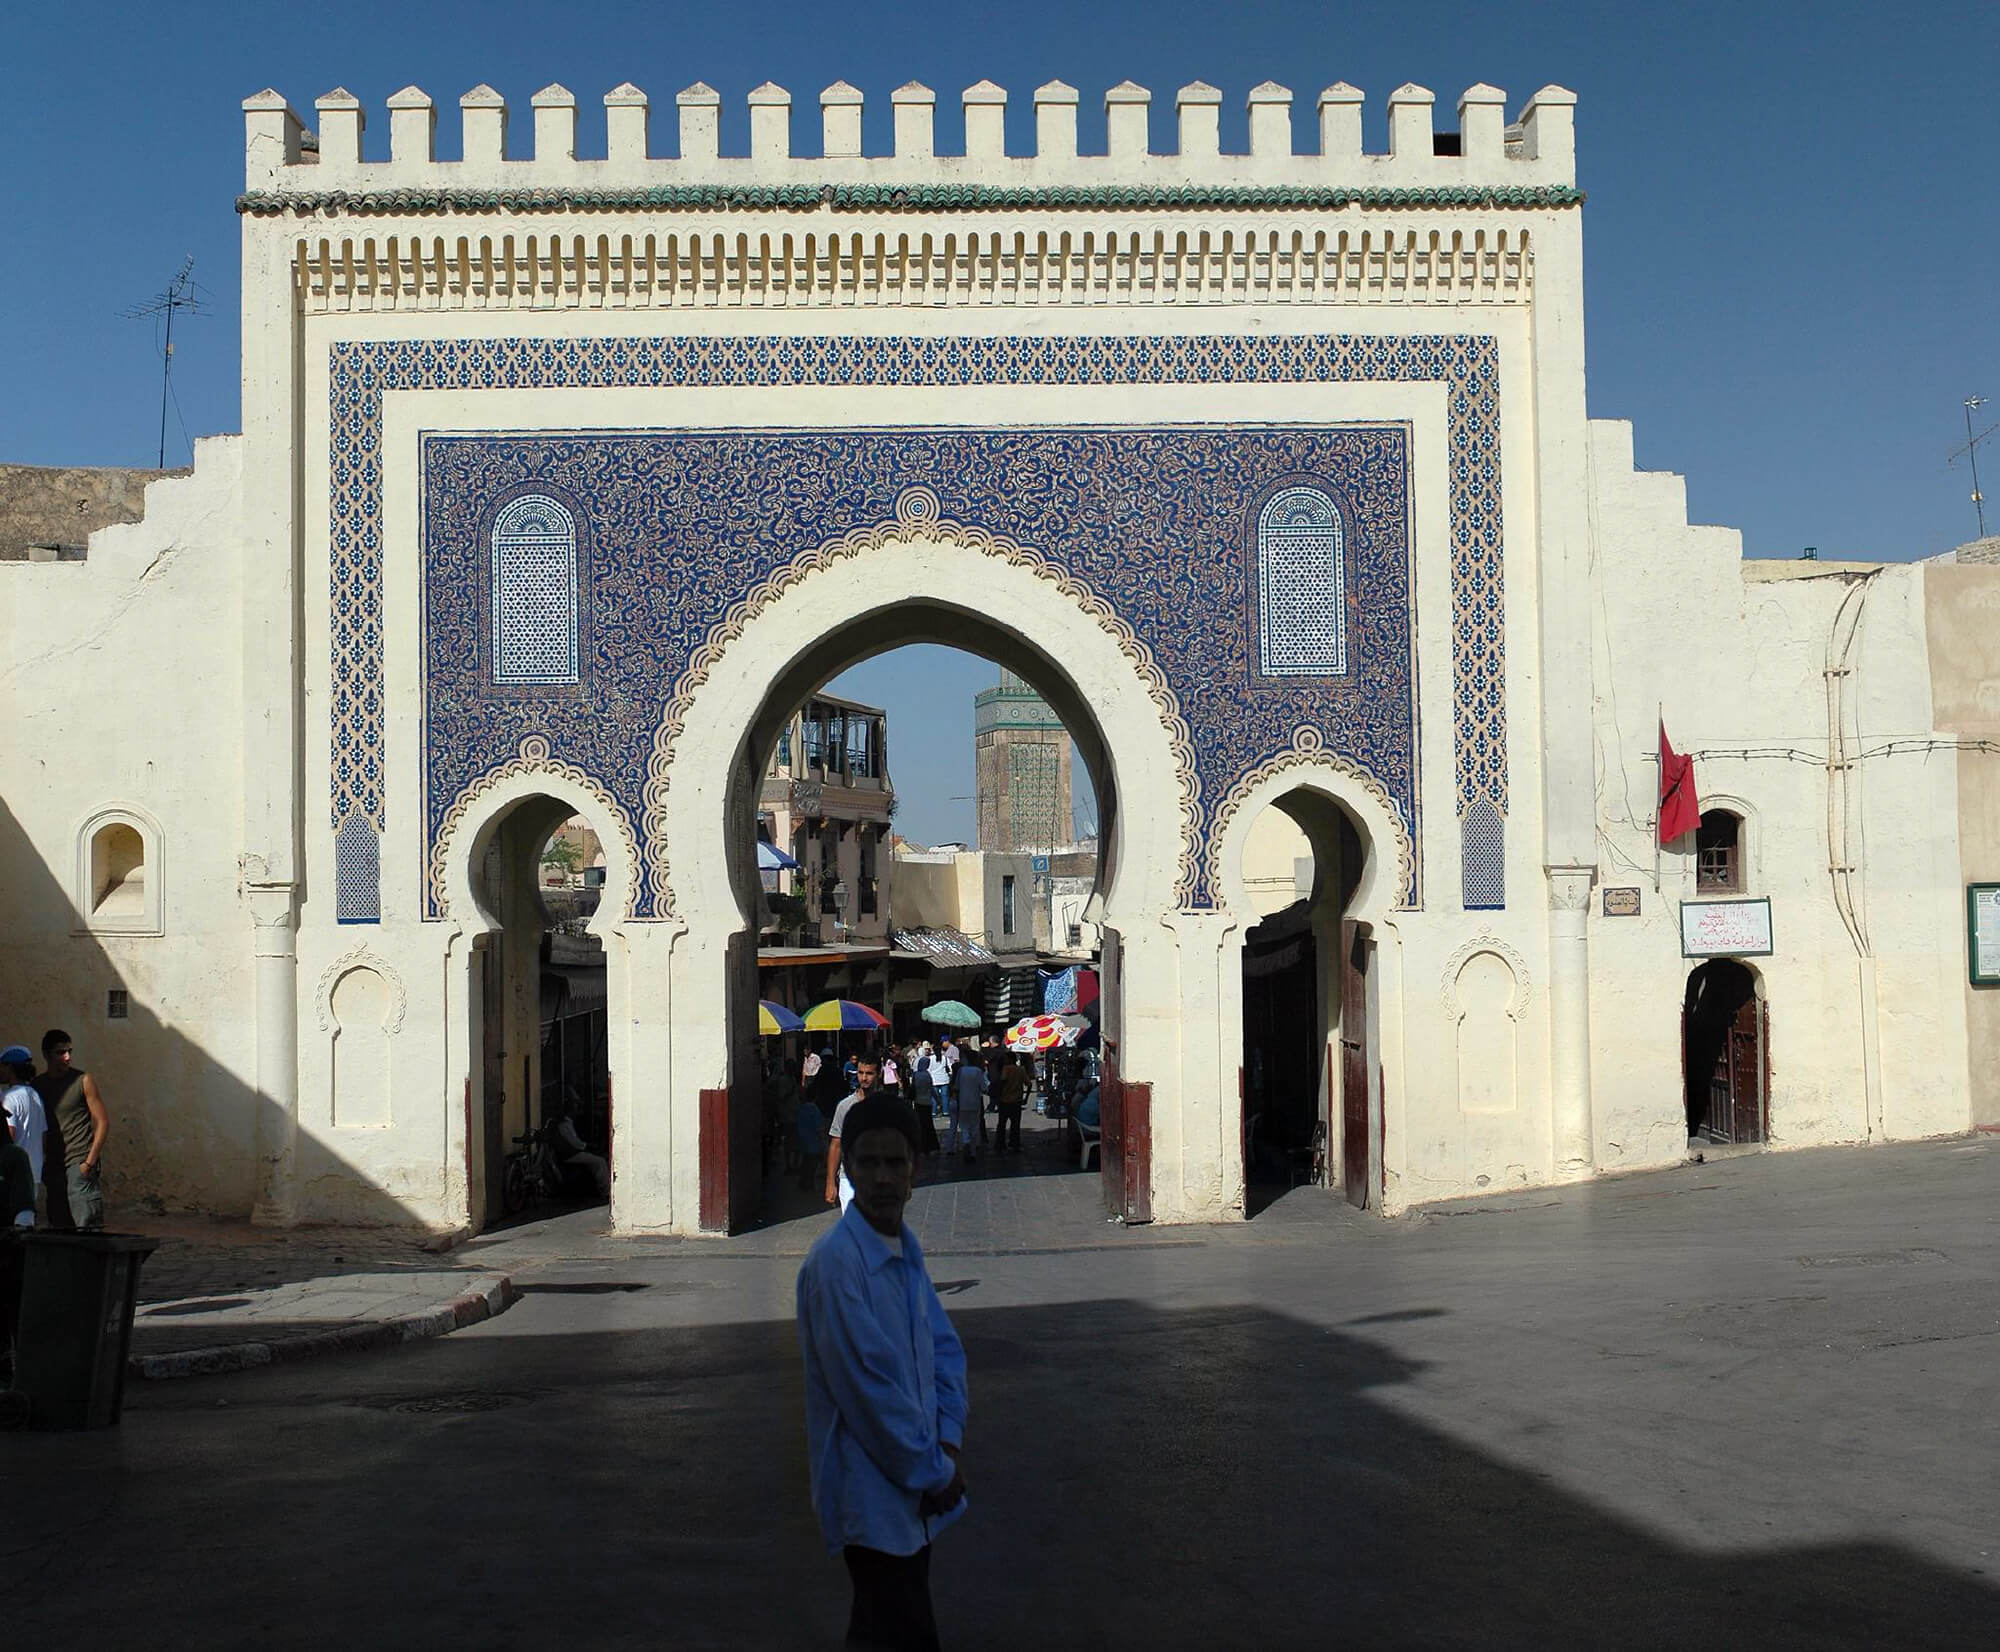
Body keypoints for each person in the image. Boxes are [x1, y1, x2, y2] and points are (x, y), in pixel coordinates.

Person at [795, 1093, 967, 1652]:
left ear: (915, 1169)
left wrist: (948, 1439)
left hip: (917, 1489)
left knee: (885, 1629)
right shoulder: (836, 1264)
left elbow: (944, 1349)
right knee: (902, 1626)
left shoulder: (904, 1246)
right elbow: (868, 1393)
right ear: (846, 1170)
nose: (883, 1177)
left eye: (895, 1162)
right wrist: (933, 1470)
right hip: (871, 1493)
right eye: (867, 1163)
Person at [35, 1029, 108, 1232]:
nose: (67, 1057)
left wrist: (89, 1162)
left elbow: (102, 1122)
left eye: (69, 1051)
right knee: (59, 1230)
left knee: (87, 1229)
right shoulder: (37, 1086)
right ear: (46, 1054)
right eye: (60, 1052)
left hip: (79, 1161)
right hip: (54, 1166)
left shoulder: (83, 1081)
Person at [825, 1055, 881, 1211]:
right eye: (861, 1073)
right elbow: (836, 1145)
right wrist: (830, 1183)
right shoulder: (845, 1106)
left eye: (869, 1073)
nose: (864, 1078)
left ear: (879, 1074)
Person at [2, 1045, 48, 1210]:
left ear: (10, 1067)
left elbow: (9, 1135)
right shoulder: (35, 1096)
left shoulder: (8, 1098)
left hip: (12, 1176)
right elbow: (43, 1136)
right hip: (34, 1172)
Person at [949, 1049, 986, 1163]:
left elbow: (956, 1087)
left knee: (964, 1128)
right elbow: (984, 1087)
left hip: (963, 1103)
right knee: (974, 1127)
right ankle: (973, 1152)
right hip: (975, 1103)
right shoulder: (978, 1071)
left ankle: (966, 1143)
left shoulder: (961, 1071)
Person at [992, 1053, 1030, 1154]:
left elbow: (1003, 1080)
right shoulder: (1021, 1070)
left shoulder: (1006, 1069)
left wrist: (998, 1094)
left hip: (1005, 1100)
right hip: (1017, 1101)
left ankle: (1000, 1144)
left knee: (1001, 1124)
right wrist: (1026, 1097)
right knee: (1015, 1125)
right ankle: (1014, 1144)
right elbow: (1029, 1084)